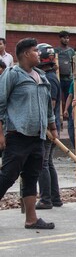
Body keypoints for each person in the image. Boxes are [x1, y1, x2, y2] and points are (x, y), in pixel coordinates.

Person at [0, 38, 57, 229]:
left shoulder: (42, 76)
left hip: (38, 136)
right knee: (8, 176)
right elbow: (0, 104)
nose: (38, 54)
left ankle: (31, 219)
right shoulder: (12, 74)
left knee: (31, 176)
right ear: (25, 54)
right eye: (35, 51)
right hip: (17, 134)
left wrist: (52, 126)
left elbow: (48, 105)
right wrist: (1, 133)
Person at [35, 44, 63, 209]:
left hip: (48, 127)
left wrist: (47, 126)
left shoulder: (49, 79)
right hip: (51, 126)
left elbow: (50, 106)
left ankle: (46, 199)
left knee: (43, 163)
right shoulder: (49, 76)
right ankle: (55, 197)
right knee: (48, 162)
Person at [54, 31, 76, 106]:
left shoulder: (71, 51)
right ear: (60, 39)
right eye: (64, 38)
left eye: (67, 38)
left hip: (69, 78)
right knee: (58, 98)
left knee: (69, 98)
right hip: (59, 78)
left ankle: (69, 116)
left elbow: (74, 64)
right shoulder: (56, 51)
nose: (66, 40)